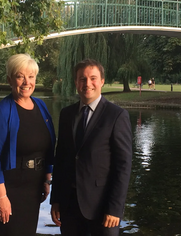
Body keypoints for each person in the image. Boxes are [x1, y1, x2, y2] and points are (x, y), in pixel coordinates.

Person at [50, 59, 133, 236]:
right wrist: (56, 200)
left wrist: (115, 208)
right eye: (82, 79)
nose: (87, 84)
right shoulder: (66, 114)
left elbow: (123, 166)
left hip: (103, 207)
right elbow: (61, 158)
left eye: (93, 78)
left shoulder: (117, 116)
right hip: (69, 205)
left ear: (102, 81)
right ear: (76, 83)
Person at [0, 54, 56, 236]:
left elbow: (48, 146)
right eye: (20, 76)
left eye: (31, 77)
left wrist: (47, 177)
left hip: (33, 189)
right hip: (9, 189)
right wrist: (0, 197)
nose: (26, 82)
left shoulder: (41, 106)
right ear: (10, 79)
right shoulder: (2, 111)